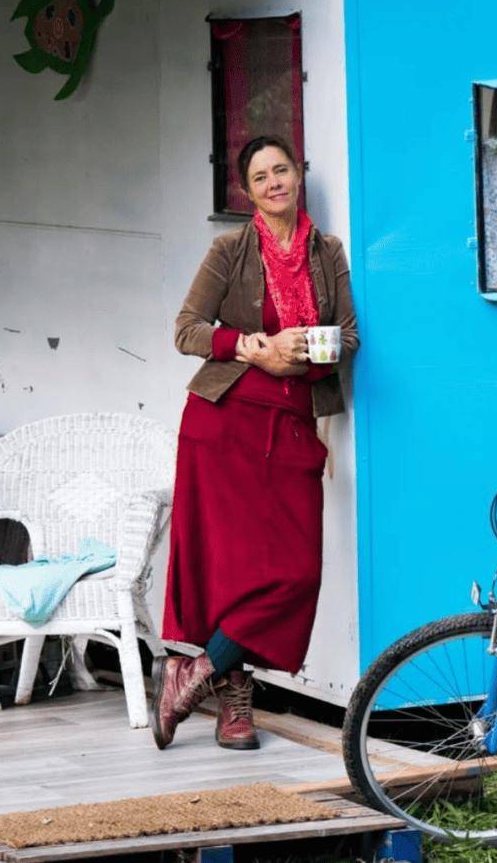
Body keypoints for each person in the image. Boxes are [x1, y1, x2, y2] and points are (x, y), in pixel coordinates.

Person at [153, 135, 358, 751]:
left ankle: (194, 672)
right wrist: (253, 347)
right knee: (229, 570)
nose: (274, 183)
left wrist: (308, 359)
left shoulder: (328, 252)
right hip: (224, 423)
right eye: (261, 176)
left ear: (299, 175)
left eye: (283, 170)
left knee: (294, 572)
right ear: (247, 191)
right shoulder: (230, 249)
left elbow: (347, 335)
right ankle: (233, 707)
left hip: (293, 423)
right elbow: (187, 330)